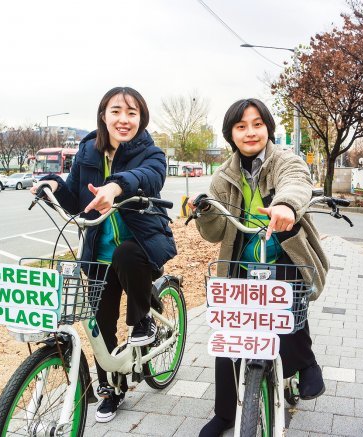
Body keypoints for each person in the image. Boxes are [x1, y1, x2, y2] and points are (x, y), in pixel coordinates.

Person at [31, 86, 177, 423]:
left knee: (126, 255)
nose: (123, 120)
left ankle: (144, 321)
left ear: (141, 119)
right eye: (116, 111)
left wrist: (115, 186)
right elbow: (77, 200)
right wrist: (52, 184)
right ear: (103, 115)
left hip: (141, 245)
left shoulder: (151, 153)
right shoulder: (87, 150)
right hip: (98, 254)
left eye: (131, 113)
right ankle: (112, 389)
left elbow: (147, 178)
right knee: (100, 326)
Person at [188, 98, 328, 437]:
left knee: (285, 301)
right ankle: (224, 413)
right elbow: (216, 232)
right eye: (241, 126)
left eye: (257, 124)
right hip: (241, 263)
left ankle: (306, 364)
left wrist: (284, 206)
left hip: (286, 256)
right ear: (230, 134)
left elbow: (296, 181)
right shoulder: (224, 175)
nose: (250, 132)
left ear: (268, 127)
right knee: (228, 331)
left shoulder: (285, 159)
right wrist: (206, 211)